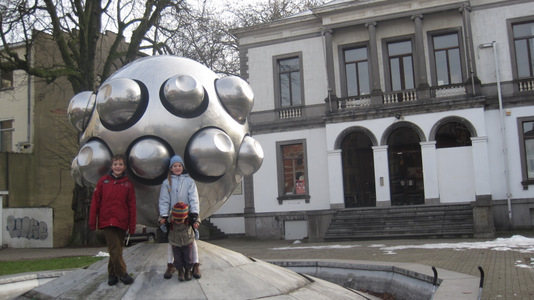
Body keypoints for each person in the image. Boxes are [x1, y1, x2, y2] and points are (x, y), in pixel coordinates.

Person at [89, 154, 136, 286]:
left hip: (121, 221)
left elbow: (132, 206)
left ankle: (112, 274)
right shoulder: (103, 182)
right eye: (115, 164)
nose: (118, 167)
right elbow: (95, 203)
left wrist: (132, 226)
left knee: (117, 249)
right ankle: (123, 273)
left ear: (124, 167)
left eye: (120, 164)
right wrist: (92, 222)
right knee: (114, 248)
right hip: (107, 221)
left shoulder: (128, 184)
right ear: (111, 166)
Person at [158, 155, 201, 280]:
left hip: (187, 215)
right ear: (171, 168)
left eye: (179, 165)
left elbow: (194, 198)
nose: (177, 168)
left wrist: (194, 214)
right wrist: (164, 215)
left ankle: (195, 264)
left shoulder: (189, 181)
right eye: (175, 166)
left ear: (183, 167)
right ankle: (170, 264)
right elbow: (164, 200)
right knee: (172, 241)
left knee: (191, 240)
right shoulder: (166, 183)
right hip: (173, 217)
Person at [168, 201, 200, 281]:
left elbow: (197, 217)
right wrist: (161, 220)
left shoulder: (188, 219)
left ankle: (188, 271)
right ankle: (180, 271)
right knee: (177, 258)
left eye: (180, 220)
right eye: (177, 220)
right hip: (175, 242)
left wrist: (197, 222)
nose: (178, 222)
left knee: (188, 257)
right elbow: (163, 218)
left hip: (187, 241)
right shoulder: (171, 219)